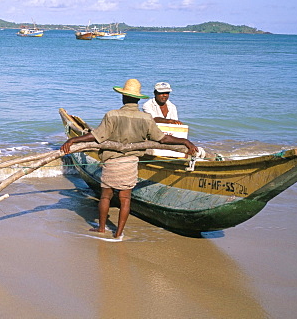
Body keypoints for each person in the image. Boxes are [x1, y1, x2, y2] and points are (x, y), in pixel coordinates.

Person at [61, 79, 198, 239]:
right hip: (131, 162)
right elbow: (163, 139)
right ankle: (118, 233)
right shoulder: (146, 118)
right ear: (138, 99)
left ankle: (102, 228)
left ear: (123, 97)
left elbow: (96, 136)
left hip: (112, 161)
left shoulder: (112, 115)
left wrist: (73, 140)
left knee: (106, 196)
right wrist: (185, 142)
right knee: (125, 198)